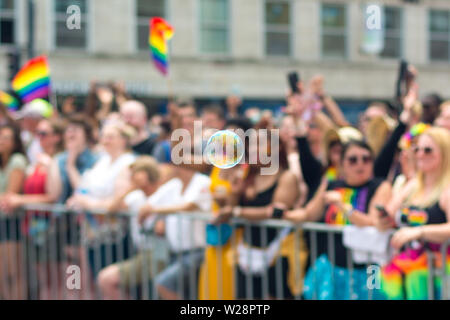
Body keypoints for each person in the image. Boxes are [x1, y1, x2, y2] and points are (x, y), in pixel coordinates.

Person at [285, 140, 392, 300]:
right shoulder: (332, 185)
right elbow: (309, 214)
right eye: (353, 160)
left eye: (366, 159)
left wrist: (343, 205)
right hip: (335, 266)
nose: (360, 164)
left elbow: (372, 221)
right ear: (341, 164)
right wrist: (281, 213)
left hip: (371, 269)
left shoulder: (380, 186)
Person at [213, 130, 307, 299]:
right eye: (252, 144)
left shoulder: (286, 177)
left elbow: (275, 213)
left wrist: (237, 212)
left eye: (260, 143)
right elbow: (231, 210)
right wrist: (234, 192)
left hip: (279, 254)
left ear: (276, 147)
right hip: (248, 253)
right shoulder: (249, 176)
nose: (254, 149)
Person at [375, 127, 450, 300]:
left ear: (445, 153)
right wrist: (382, 217)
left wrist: (420, 232)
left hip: (435, 269)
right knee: (374, 281)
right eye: (417, 149)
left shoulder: (447, 189)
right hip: (402, 262)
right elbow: (386, 217)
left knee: (417, 282)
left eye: (428, 150)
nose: (421, 154)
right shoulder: (412, 185)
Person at [97, 156, 164, 300]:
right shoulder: (136, 196)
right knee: (106, 279)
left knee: (106, 278)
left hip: (159, 253)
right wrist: (130, 188)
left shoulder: (163, 194)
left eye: (135, 173)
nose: (132, 177)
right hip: (143, 253)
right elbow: (111, 210)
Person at [0, 123, 27, 299]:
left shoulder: (17, 160)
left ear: (15, 142)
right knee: (2, 276)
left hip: (11, 222)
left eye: (6, 137)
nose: (1, 141)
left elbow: (9, 196)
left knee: (13, 274)